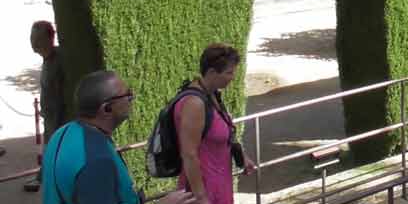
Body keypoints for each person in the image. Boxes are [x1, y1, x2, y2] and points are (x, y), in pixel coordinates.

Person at [41, 70, 196, 204]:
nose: (132, 98)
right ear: (107, 108)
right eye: (127, 95)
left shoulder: (62, 133)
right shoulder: (96, 159)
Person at [176, 44, 254, 204]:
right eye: (229, 72)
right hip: (204, 191)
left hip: (218, 185)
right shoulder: (194, 103)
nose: (233, 77)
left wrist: (241, 156)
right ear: (212, 72)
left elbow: (221, 131)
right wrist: (201, 197)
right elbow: (189, 154)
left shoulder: (211, 94)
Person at [24, 20, 67, 192]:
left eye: (37, 39)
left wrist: (56, 122)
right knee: (51, 149)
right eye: (32, 38)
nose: (33, 43)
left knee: (52, 149)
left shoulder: (58, 60)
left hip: (58, 118)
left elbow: (60, 95)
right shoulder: (48, 59)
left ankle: (44, 180)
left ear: (50, 38)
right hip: (50, 116)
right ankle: (43, 179)